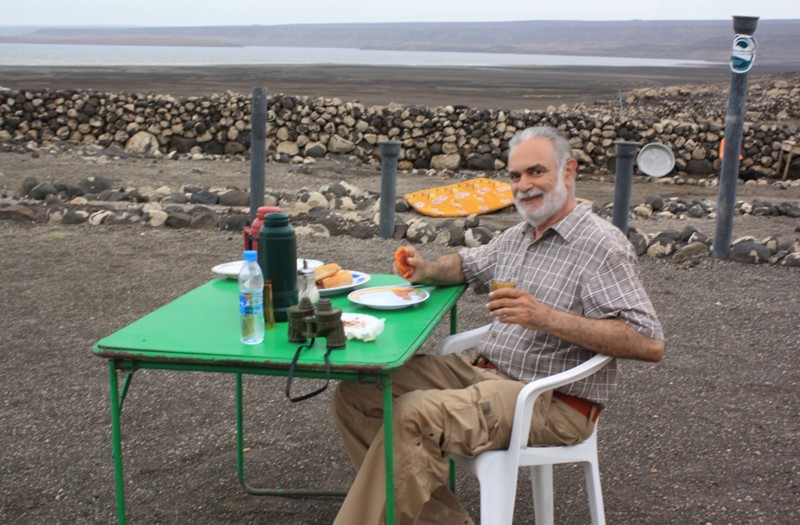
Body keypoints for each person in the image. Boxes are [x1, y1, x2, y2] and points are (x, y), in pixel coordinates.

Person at [332, 125, 665, 525]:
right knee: (359, 392)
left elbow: (649, 343)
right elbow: (468, 265)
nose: (524, 185)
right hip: (483, 371)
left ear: (569, 172)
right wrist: (424, 269)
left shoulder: (602, 247)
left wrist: (545, 318)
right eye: (515, 175)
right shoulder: (520, 235)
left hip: (549, 399)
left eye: (536, 172)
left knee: (414, 414)